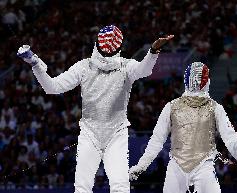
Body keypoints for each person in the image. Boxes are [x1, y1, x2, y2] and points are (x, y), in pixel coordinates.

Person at [17, 24, 174, 193]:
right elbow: (53, 87)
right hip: (89, 134)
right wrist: (152, 52)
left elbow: (144, 70)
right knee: (84, 188)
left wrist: (36, 65)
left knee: (118, 187)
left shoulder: (124, 67)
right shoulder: (86, 67)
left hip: (116, 134)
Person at [129, 62, 237, 193]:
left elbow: (229, 135)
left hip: (204, 165)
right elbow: (157, 140)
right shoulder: (172, 107)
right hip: (177, 165)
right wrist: (142, 165)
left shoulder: (214, 108)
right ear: (207, 82)